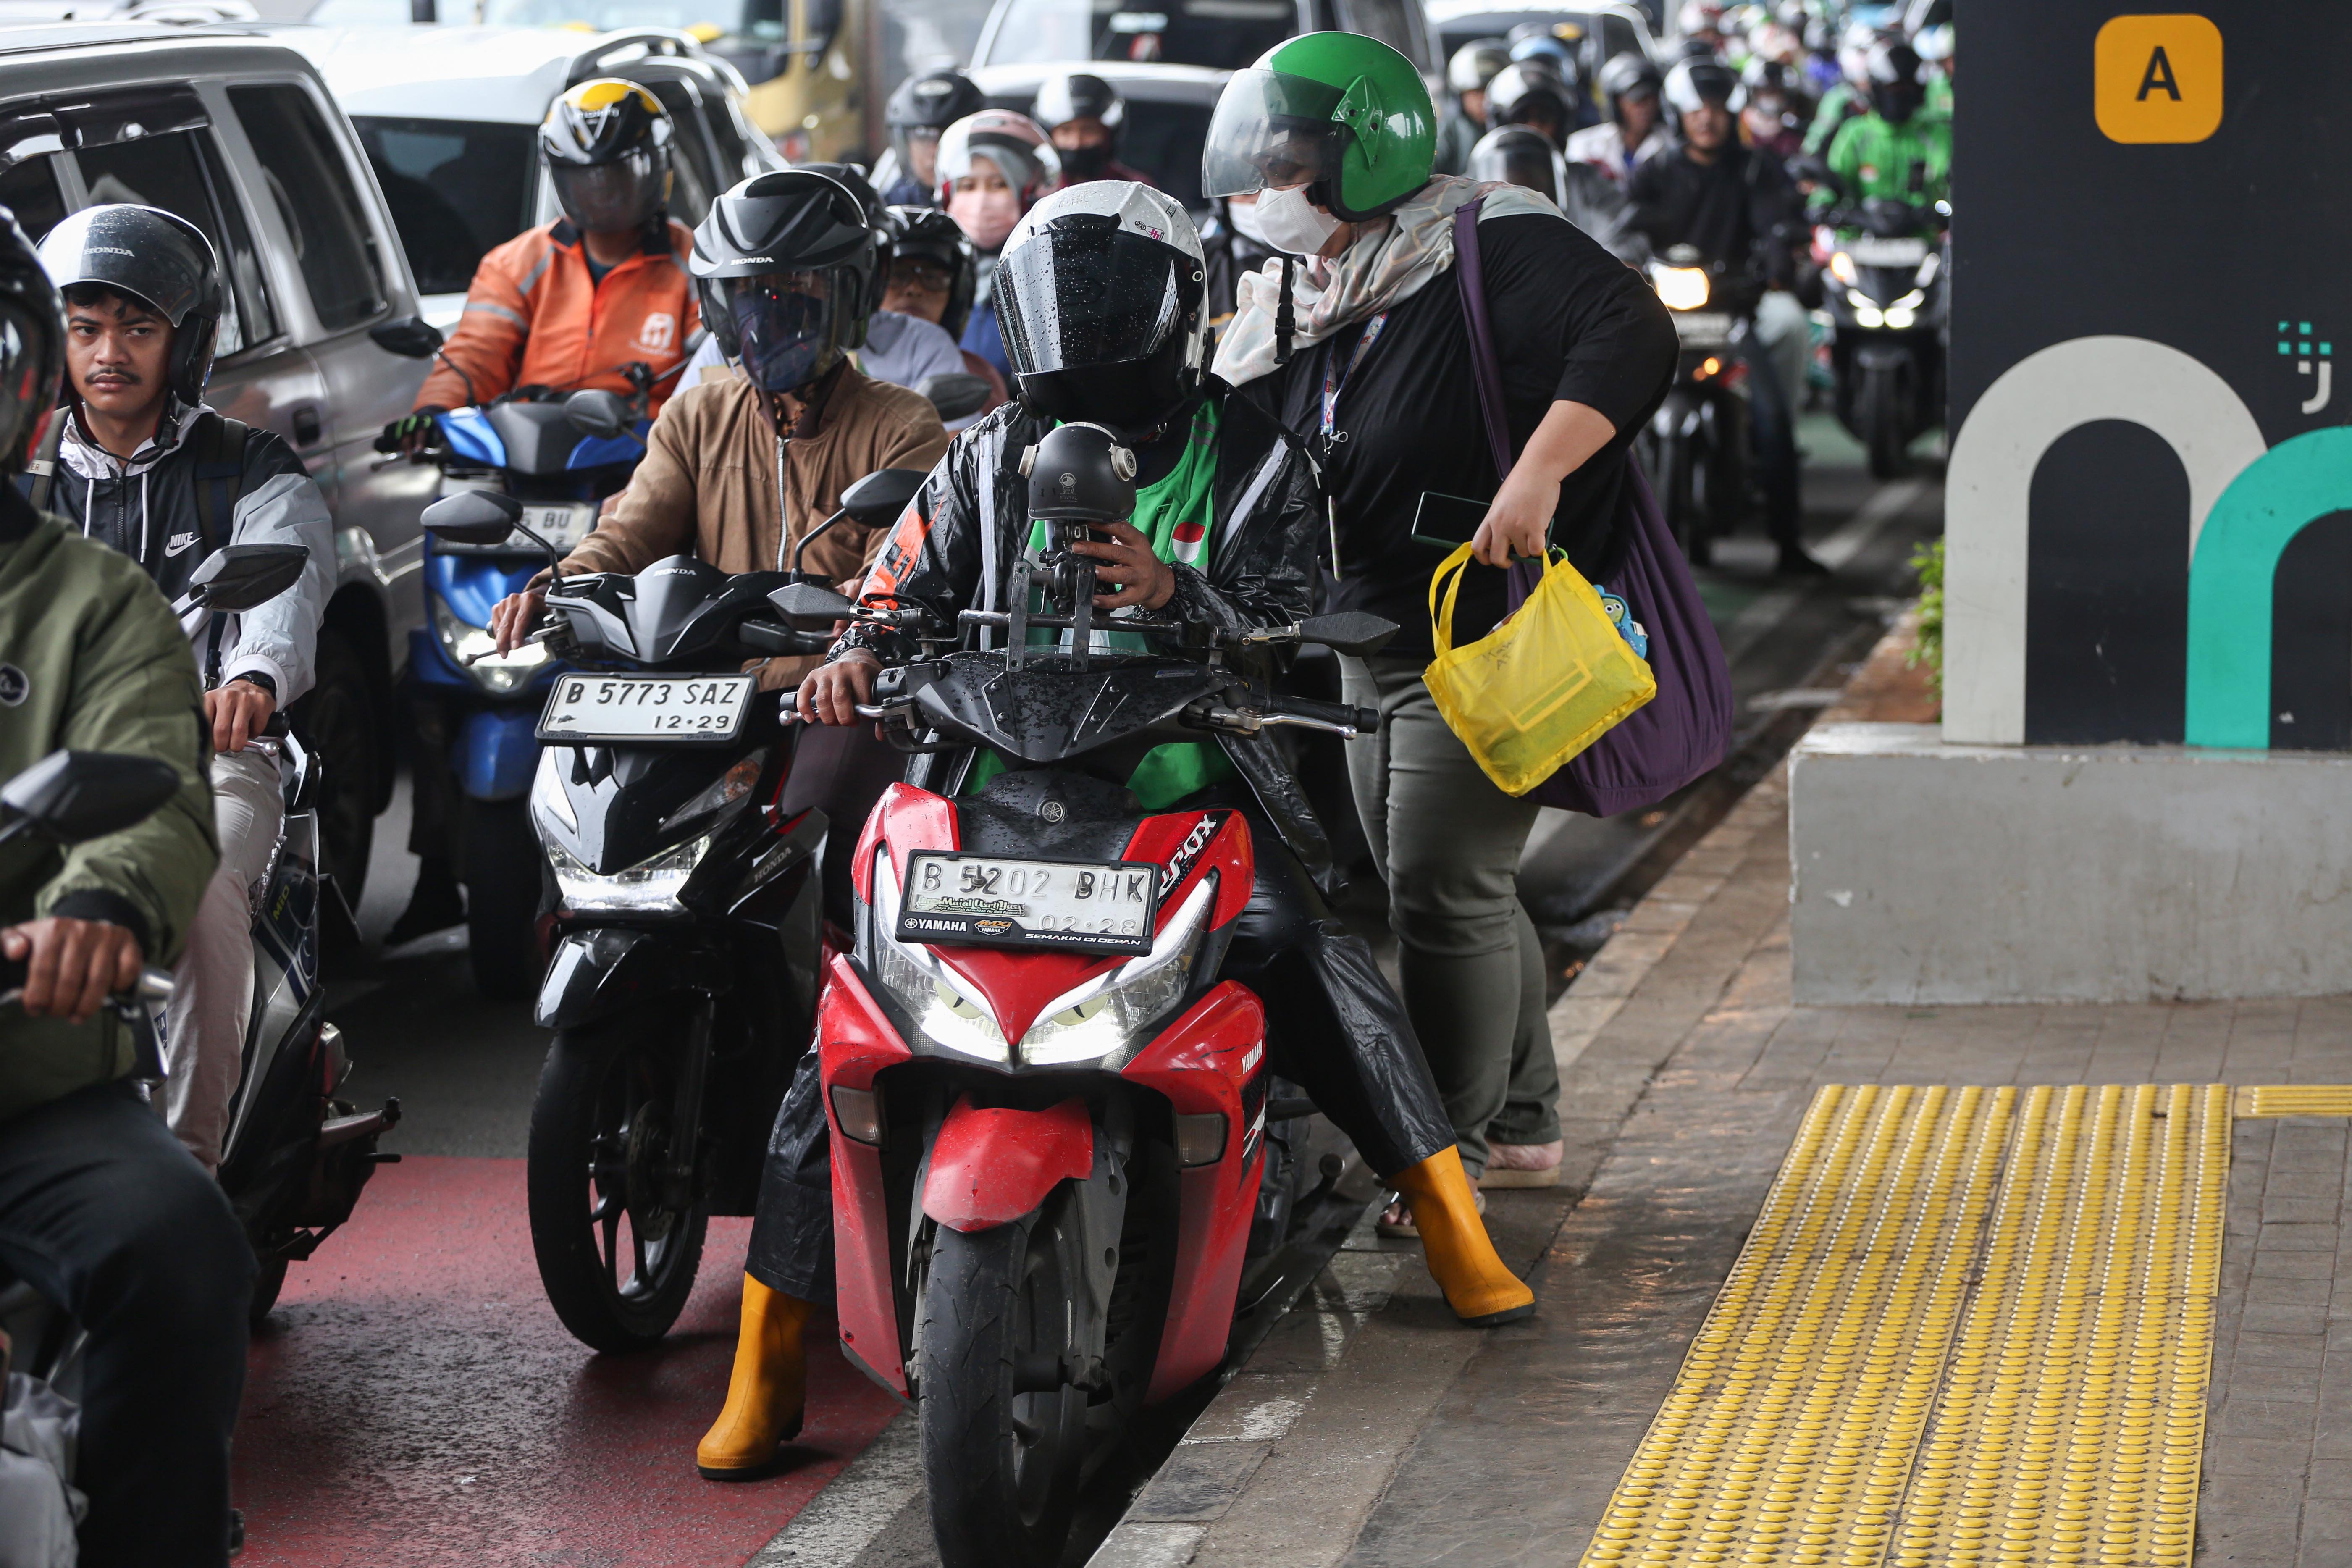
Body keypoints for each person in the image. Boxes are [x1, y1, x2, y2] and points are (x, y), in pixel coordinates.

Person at [693, 181, 1538, 1481]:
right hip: (987, 795)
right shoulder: (981, 452)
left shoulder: (1253, 452)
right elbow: (896, 582)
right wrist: (856, 652)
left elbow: (1300, 602)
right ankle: (773, 1352)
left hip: (1187, 789)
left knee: (1305, 952)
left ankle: (1447, 1214)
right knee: (843, 1034)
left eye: (1104, 307)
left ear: (1169, 310)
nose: (1079, 338)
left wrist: (1175, 587)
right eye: (1058, 308)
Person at [1201, 34, 1677, 1202]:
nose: (1263, 189)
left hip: (1483, 631)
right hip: (1363, 631)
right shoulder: (1308, 288)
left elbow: (1635, 330)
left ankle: (1444, 1162)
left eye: (1288, 159)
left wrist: (1541, 473)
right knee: (1452, 883)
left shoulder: (1490, 241)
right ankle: (1522, 1117)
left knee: (1436, 885)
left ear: (1364, 153)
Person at [487, 169, 951, 922]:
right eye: (750, 297)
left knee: (832, 850)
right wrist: (555, 587)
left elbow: (891, 575)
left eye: (799, 293)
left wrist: (855, 650)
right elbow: (631, 531)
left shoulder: (905, 424)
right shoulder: (695, 413)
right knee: (585, 838)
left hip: (823, 693)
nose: (772, 317)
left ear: (849, 299)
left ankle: (832, 1016)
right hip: (691, 692)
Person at [0, 205, 247, 1568]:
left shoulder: (94, 602)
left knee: (178, 1246)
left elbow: (155, 784)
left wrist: (97, 906)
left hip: (29, 1082)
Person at [33, 204, 333, 1173]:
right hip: (39, 766)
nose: (108, 351)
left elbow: (288, 581)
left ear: (184, 340)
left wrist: (251, 678)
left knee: (197, 886)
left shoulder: (249, 468)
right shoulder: (24, 477)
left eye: (137, 327)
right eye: (85, 328)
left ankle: (188, 1174)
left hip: (206, 765)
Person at [391, 80, 699, 438]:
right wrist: (436, 412)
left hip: (651, 458)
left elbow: (716, 373)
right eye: (586, 180)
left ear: (659, 168)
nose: (602, 194)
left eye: (617, 177)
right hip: (527, 452)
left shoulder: (699, 266)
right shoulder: (516, 263)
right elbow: (476, 355)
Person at [1630, 56, 1821, 574]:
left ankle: (1788, 541)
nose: (1706, 118)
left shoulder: (1757, 168)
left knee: (1771, 416)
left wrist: (1777, 258)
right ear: (1677, 113)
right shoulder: (1653, 171)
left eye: (1715, 108)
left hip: (1735, 310)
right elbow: (1625, 226)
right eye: (1696, 108)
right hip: (1662, 312)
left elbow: (1779, 222)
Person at [935, 110, 1062, 386]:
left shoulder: (1053, 277)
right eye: (968, 186)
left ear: (1029, 193)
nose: (981, 201)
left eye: (999, 185)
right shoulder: (932, 276)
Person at [882, 203, 1008, 415]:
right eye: (898, 275)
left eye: (932, 278)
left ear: (957, 294)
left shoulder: (975, 376)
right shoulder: (839, 367)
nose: (914, 289)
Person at [1469, 123, 1648, 265]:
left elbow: (1619, 243)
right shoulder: (1471, 236)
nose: (1534, 125)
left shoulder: (1583, 192)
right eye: (1510, 186)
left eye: (1532, 184)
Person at [1824, 41, 1950, 207]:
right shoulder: (1856, 134)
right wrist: (1823, 202)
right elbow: (1834, 182)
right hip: (1863, 231)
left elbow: (1950, 186)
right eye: (1894, 89)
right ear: (1877, 89)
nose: (1901, 96)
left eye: (1908, 89)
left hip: (1924, 232)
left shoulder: (1937, 135)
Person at [877, 66, 987, 208]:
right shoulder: (892, 206)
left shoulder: (995, 204)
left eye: (949, 137)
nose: (935, 150)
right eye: (923, 137)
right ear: (905, 144)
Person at [1031, 71, 1153, 186]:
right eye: (1066, 131)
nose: (1076, 143)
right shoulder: (1033, 190)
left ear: (1107, 135)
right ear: (1049, 135)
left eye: (1088, 130)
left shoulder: (1134, 189)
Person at [1568, 52, 1672, 184]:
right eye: (1637, 100)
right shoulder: (1584, 146)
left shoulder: (1672, 146)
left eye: (1651, 99)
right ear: (1616, 103)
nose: (1646, 108)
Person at [1434, 38, 1511, 176]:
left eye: (1490, 91)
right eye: (1477, 92)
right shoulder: (1448, 132)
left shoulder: (1515, 129)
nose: (1484, 101)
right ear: (1460, 95)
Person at [1484, 59, 1580, 151]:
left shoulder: (1582, 167)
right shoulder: (1483, 168)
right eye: (1522, 119)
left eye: (1544, 118)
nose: (1534, 128)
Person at [1741, 56, 1812, 159]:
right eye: (1765, 91)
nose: (1771, 97)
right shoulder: (1741, 124)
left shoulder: (1796, 128)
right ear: (1753, 93)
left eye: (1776, 92)